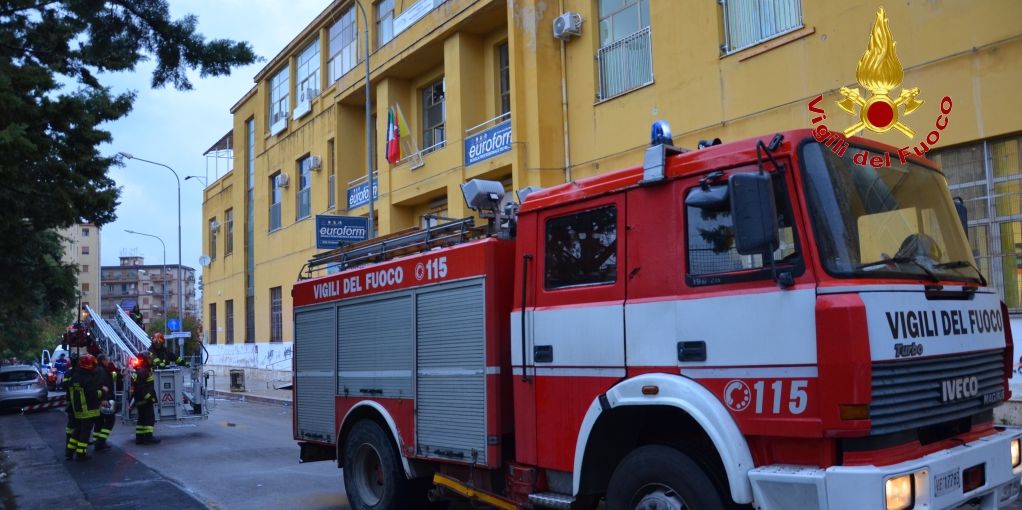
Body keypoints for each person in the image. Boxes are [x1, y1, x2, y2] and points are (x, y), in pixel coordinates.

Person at [67, 354, 104, 461]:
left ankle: (69, 452)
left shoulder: (74, 376)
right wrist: (103, 391)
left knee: (77, 431)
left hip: (77, 410)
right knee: (85, 433)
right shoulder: (88, 378)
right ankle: (81, 454)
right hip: (88, 410)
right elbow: (92, 394)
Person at [130, 352, 161, 444]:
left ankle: (139, 438)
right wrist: (149, 398)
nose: (151, 360)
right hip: (145, 401)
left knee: (142, 419)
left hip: (139, 400)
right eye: (149, 358)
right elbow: (141, 388)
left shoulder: (139, 371)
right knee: (149, 419)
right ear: (145, 360)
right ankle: (148, 438)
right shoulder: (143, 372)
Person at [92, 354, 118, 452]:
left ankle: (97, 442)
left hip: (98, 400)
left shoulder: (98, 370)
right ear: (103, 361)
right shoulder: (101, 371)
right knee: (110, 420)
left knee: (99, 421)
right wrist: (104, 399)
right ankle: (101, 442)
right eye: (107, 360)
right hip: (103, 400)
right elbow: (100, 385)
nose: (108, 362)